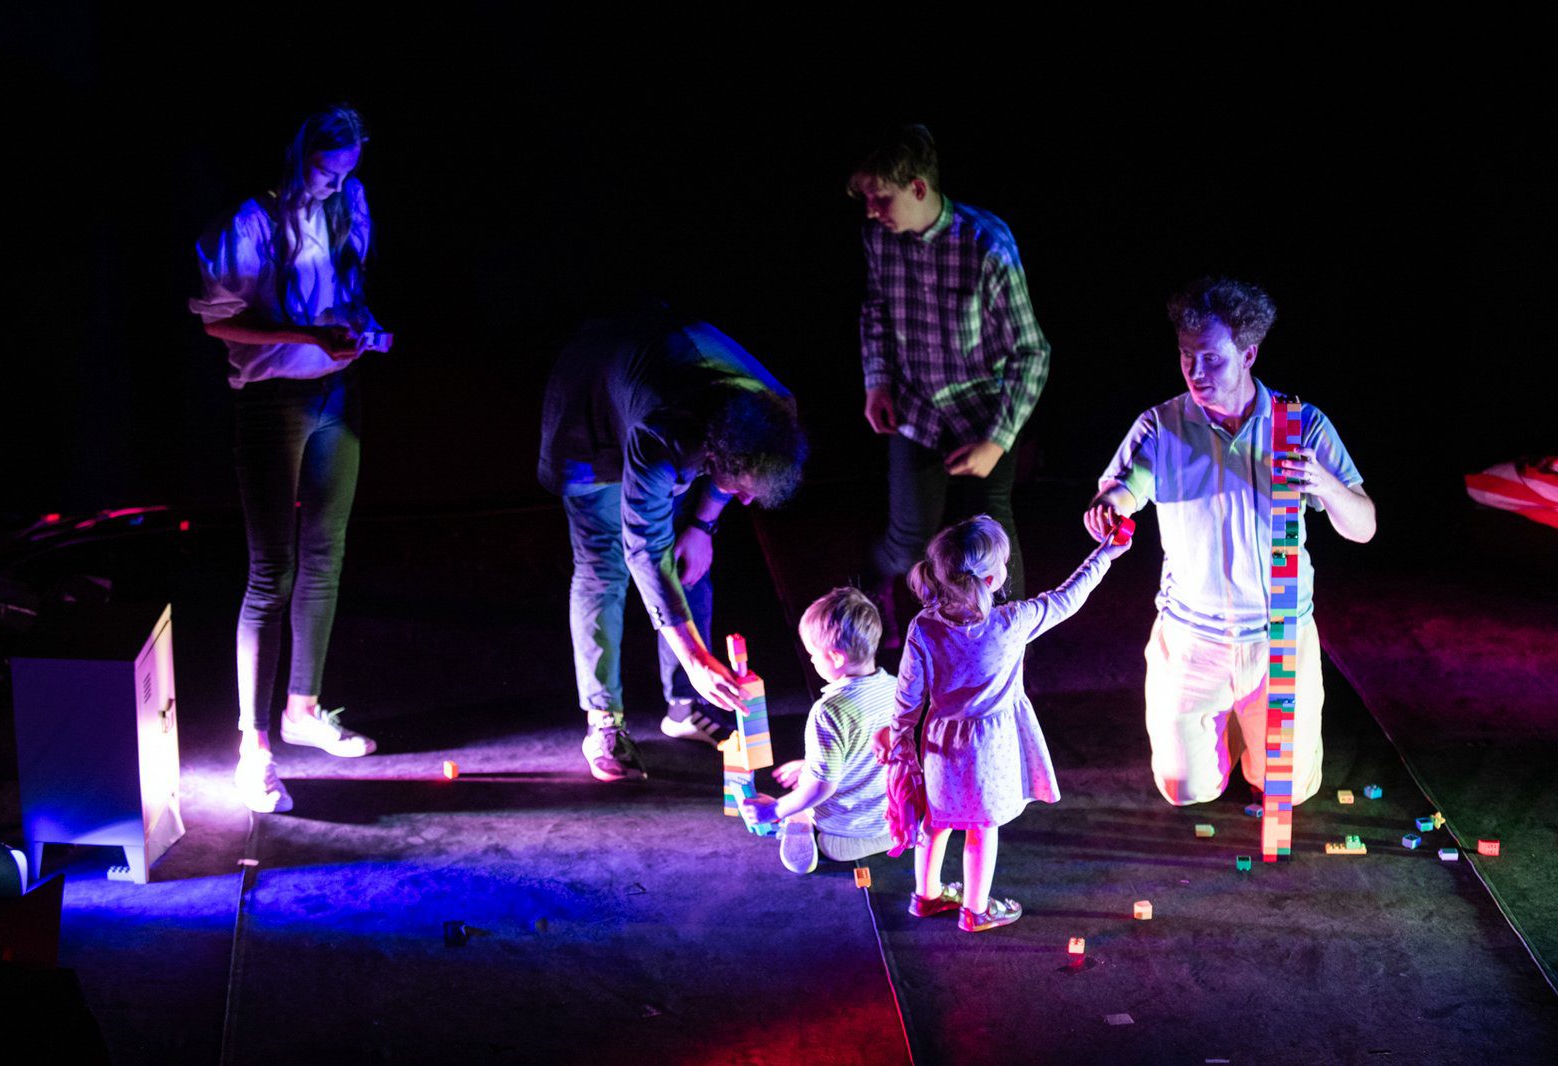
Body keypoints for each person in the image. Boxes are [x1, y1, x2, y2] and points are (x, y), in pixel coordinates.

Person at [1083, 277, 1376, 808]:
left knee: (1287, 790)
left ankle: (1253, 728)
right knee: (1185, 790)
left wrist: (1325, 485)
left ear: (1248, 354)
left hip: (1279, 637)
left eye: (1212, 359)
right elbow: (1123, 490)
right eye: (1186, 357)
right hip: (1193, 638)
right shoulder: (1162, 425)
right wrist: (1110, 508)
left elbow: (1363, 526)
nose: (1196, 372)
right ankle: (1232, 727)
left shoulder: (1300, 424)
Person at [190, 105, 387, 814]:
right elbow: (218, 322)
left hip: (336, 394)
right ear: (299, 155)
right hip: (271, 401)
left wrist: (356, 327)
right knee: (270, 572)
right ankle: (255, 748)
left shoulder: (348, 204)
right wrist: (306, 336)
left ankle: (303, 709)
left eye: (347, 172)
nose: (336, 185)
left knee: (325, 555)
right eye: (325, 171)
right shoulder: (251, 221)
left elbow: (344, 289)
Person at [537, 303, 807, 782]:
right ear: (713, 455)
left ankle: (684, 708)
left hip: (672, 390)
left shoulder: (774, 412)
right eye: (741, 488)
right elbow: (643, 549)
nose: (746, 500)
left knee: (688, 558)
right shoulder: (663, 435)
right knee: (605, 567)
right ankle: (604, 721)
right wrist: (698, 659)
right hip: (588, 411)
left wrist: (702, 526)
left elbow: (727, 487)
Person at [848, 125, 1051, 624]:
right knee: (907, 543)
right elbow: (876, 311)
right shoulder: (879, 238)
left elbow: (1031, 352)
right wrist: (877, 381)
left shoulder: (987, 244)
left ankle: (1009, 642)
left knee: (991, 536)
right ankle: (863, 619)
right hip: (917, 409)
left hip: (984, 412)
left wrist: (997, 441)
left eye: (881, 198)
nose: (871, 211)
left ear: (918, 187)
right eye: (867, 200)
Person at [889, 515, 1128, 932]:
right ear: (989, 578)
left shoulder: (923, 627)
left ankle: (926, 896)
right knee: (983, 828)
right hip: (990, 746)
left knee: (936, 821)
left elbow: (907, 697)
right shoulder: (1011, 622)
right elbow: (1069, 597)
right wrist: (1105, 554)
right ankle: (976, 910)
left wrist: (900, 743)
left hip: (940, 742)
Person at [740, 588, 898, 874]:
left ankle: (814, 830)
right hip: (894, 821)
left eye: (813, 654)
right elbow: (867, 751)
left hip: (844, 831)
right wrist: (811, 764)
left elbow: (821, 788)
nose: (811, 661)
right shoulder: (895, 689)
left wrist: (774, 809)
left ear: (836, 658)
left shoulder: (830, 711)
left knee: (806, 797)